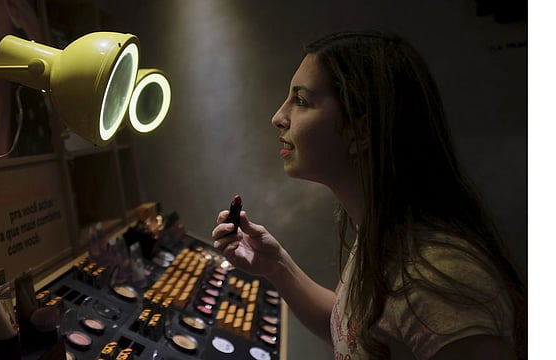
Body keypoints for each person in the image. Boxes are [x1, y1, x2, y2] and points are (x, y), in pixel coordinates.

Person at [211, 31, 526, 359]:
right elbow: (354, 332)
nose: (279, 117)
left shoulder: (442, 283)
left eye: (301, 100)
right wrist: (277, 266)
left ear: (359, 130)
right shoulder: (383, 233)